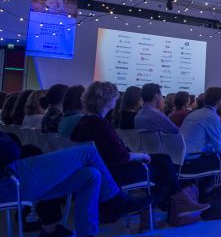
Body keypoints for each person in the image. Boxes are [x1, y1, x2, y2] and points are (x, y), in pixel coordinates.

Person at [0, 132, 151, 237]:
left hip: (11, 181)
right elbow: (11, 151)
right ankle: (116, 201)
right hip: (9, 180)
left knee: (91, 175)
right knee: (88, 151)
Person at [71, 81, 208, 219]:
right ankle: (161, 207)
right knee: (164, 167)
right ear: (107, 100)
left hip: (103, 169)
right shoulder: (101, 124)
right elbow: (120, 155)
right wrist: (138, 156)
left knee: (163, 162)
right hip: (116, 171)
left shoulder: (84, 122)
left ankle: (162, 207)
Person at [179, 87, 221, 202]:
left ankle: (206, 194)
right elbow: (219, 147)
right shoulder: (211, 116)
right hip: (193, 163)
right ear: (219, 102)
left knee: (212, 154)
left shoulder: (193, 114)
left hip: (181, 162)